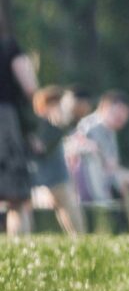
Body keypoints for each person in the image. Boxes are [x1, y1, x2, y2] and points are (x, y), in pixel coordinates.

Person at [69, 90, 129, 233]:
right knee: (121, 183)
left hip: (101, 180)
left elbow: (112, 166)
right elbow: (108, 167)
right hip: (88, 184)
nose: (122, 119)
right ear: (104, 108)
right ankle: (122, 228)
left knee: (122, 183)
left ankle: (123, 229)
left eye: (124, 115)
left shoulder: (108, 130)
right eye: (117, 114)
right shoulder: (92, 127)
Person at [30, 86, 85, 236]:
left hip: (55, 172)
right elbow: (38, 148)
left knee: (66, 203)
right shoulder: (36, 124)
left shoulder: (58, 125)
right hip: (36, 170)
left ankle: (79, 238)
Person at [0, 38, 39, 236]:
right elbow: (30, 87)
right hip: (4, 123)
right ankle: (18, 248)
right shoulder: (9, 46)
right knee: (15, 198)